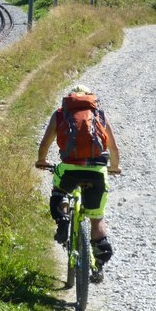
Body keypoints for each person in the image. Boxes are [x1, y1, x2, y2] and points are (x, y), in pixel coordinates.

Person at [35, 85, 120, 273]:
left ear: (69, 99)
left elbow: (44, 144)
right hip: (97, 171)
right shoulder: (99, 115)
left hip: (69, 169)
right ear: (91, 99)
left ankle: (64, 218)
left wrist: (42, 161)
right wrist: (114, 167)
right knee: (96, 219)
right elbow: (113, 148)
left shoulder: (60, 115)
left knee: (60, 191)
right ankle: (97, 265)